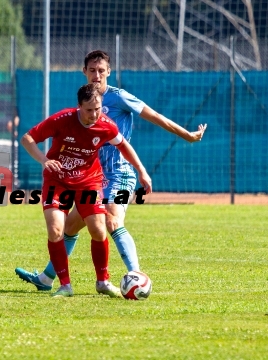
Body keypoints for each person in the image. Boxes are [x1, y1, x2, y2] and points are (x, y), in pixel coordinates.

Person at [16, 50, 207, 292]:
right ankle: (46, 278)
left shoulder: (119, 97)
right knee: (70, 227)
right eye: (92, 70)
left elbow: (156, 117)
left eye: (101, 70)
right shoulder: (87, 101)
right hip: (90, 176)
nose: (97, 75)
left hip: (119, 173)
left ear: (109, 72)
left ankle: (135, 275)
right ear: (84, 72)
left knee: (111, 219)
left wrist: (187, 135)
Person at [22, 83, 152, 297]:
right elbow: (27, 139)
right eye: (89, 110)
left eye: (98, 109)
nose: (94, 114)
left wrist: (141, 170)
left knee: (99, 228)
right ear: (79, 107)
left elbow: (123, 146)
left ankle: (102, 282)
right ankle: (65, 285)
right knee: (56, 229)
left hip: (88, 181)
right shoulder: (62, 119)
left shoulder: (106, 125)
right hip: (58, 181)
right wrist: (45, 161)